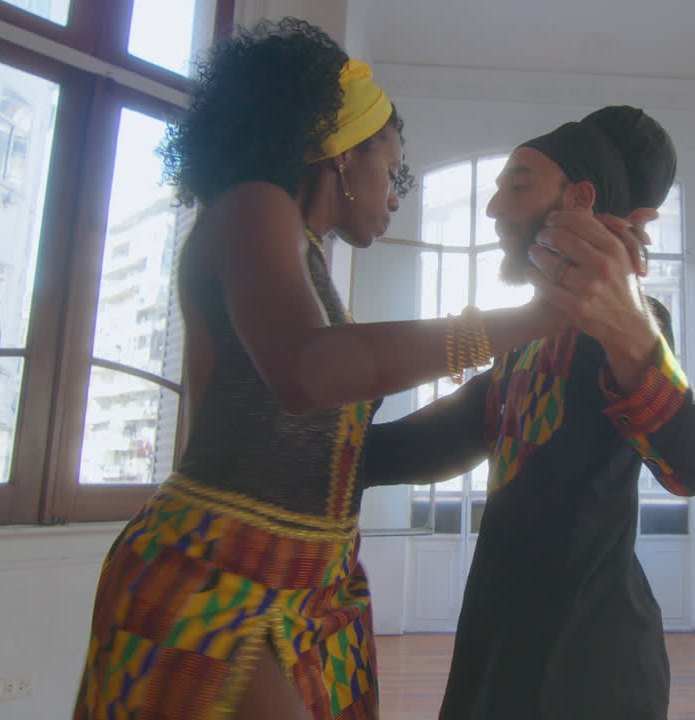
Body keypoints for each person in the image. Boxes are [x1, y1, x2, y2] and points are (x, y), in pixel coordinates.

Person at [73, 19, 569, 720]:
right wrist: (524, 321)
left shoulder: (303, 257)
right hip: (214, 574)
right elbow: (308, 373)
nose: (397, 189)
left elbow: (345, 447)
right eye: (390, 164)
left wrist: (501, 392)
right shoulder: (252, 205)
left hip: (308, 582)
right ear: (340, 155)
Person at [360, 106, 695, 719]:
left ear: (578, 199)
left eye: (518, 184)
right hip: (498, 647)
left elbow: (689, 467)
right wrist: (340, 455)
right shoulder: (527, 336)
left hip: (590, 669)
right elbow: (456, 430)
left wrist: (631, 328)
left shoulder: (631, 324)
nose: (495, 208)